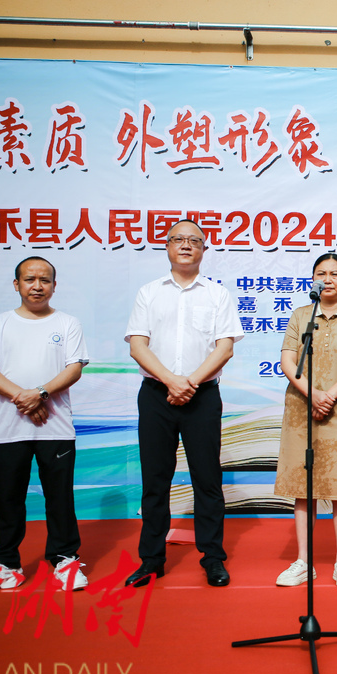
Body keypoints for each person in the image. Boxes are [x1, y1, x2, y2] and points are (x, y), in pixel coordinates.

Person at [124, 219, 243, 588]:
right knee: (155, 481)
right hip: (156, 396)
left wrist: (188, 383)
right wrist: (171, 381)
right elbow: (137, 345)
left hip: (201, 397)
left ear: (204, 249)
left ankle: (213, 558)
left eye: (195, 240)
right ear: (167, 246)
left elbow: (225, 347)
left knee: (207, 480)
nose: (186, 245)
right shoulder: (149, 293)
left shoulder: (217, 294)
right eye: (179, 239)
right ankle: (151, 560)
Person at [0, 256, 89, 593]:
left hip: (56, 427)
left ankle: (65, 559)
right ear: (16, 284)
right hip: (9, 428)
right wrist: (24, 398)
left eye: (44, 280)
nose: (37, 286)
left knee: (59, 498)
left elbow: (74, 368)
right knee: (8, 499)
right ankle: (6, 564)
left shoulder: (67, 323)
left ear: (54, 286)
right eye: (30, 279)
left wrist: (40, 393)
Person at [274, 253, 337, 588]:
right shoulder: (301, 315)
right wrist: (313, 394)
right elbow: (288, 361)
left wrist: (328, 396)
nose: (327, 279)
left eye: (335, 273)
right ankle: (304, 561)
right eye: (321, 273)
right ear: (312, 279)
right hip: (302, 406)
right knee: (304, 487)